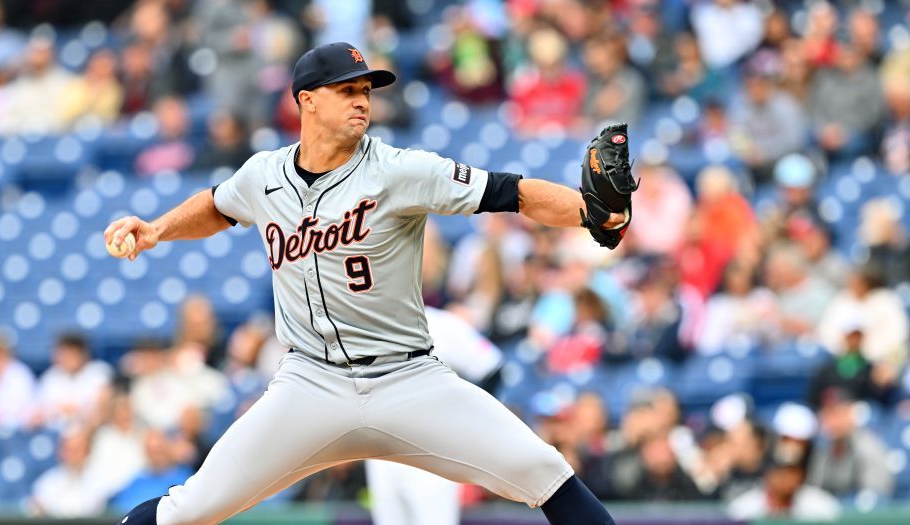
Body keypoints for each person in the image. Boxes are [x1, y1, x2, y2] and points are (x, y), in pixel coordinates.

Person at [106, 42, 625, 525]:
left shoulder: (399, 171)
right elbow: (219, 206)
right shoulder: (262, 174)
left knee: (545, 471)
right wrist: (157, 229)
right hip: (309, 384)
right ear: (307, 101)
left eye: (366, 91)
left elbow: (512, 193)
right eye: (347, 90)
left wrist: (589, 212)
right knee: (189, 507)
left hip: (408, 379)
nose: (362, 101)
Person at [365, 305, 504, 525]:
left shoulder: (439, 323)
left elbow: (492, 367)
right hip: (380, 451)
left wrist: (465, 424)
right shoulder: (364, 325)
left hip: (430, 450)